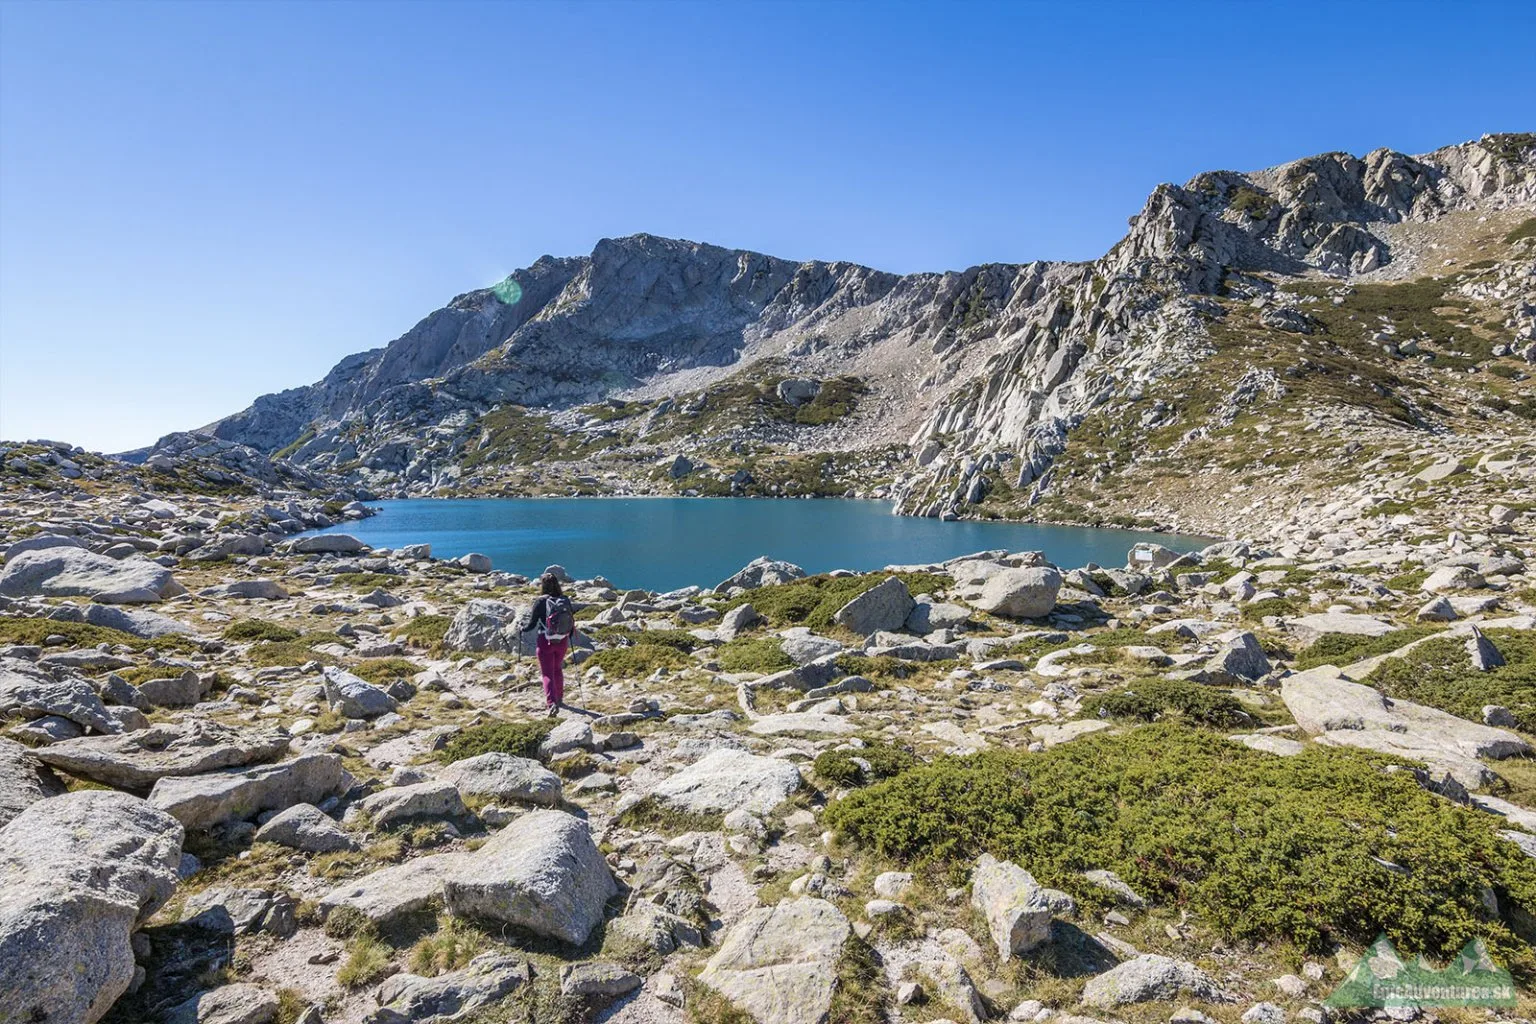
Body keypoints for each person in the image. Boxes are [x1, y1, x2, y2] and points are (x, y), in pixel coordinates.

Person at [524, 573, 576, 715]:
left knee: (547, 673)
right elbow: (571, 620)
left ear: (543, 585)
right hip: (562, 640)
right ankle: (559, 698)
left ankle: (551, 703)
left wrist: (522, 629)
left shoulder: (540, 601)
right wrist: (568, 635)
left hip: (545, 640)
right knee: (557, 669)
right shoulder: (564, 600)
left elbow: (532, 624)